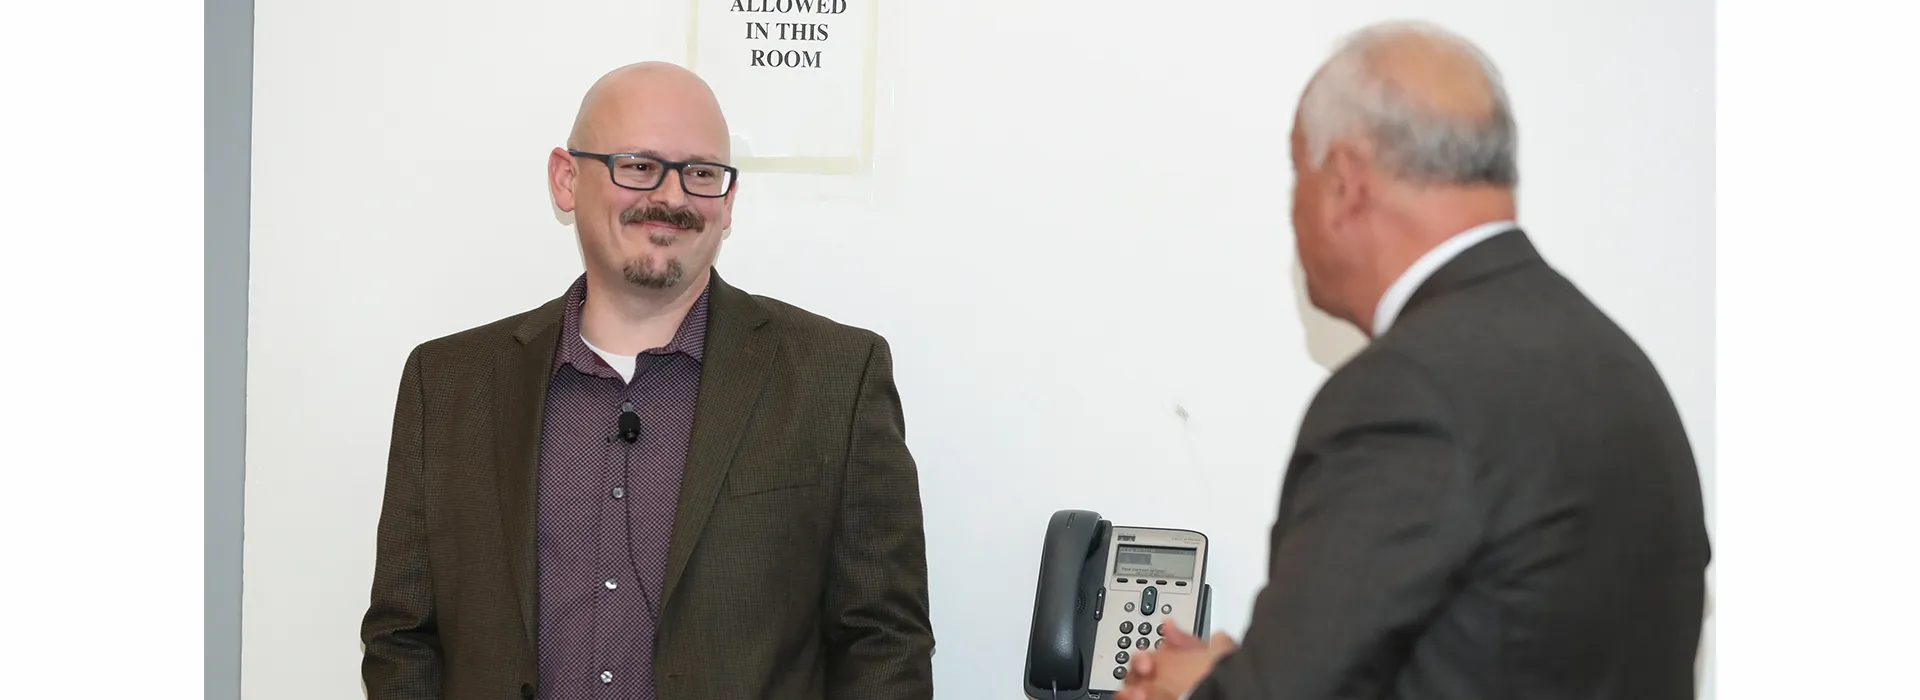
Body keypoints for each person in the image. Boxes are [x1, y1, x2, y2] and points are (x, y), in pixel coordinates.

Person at [1119, 20, 1711, 700]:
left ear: (1344, 184)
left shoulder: (1403, 395)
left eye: (1297, 173)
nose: (1292, 207)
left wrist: (1192, 691)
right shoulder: (1620, 370)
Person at [359, 62, 936, 700]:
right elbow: (403, 640)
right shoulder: (446, 386)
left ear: (728, 201)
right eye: (638, 165)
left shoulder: (836, 381)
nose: (671, 198)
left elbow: (883, 645)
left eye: (701, 173)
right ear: (566, 179)